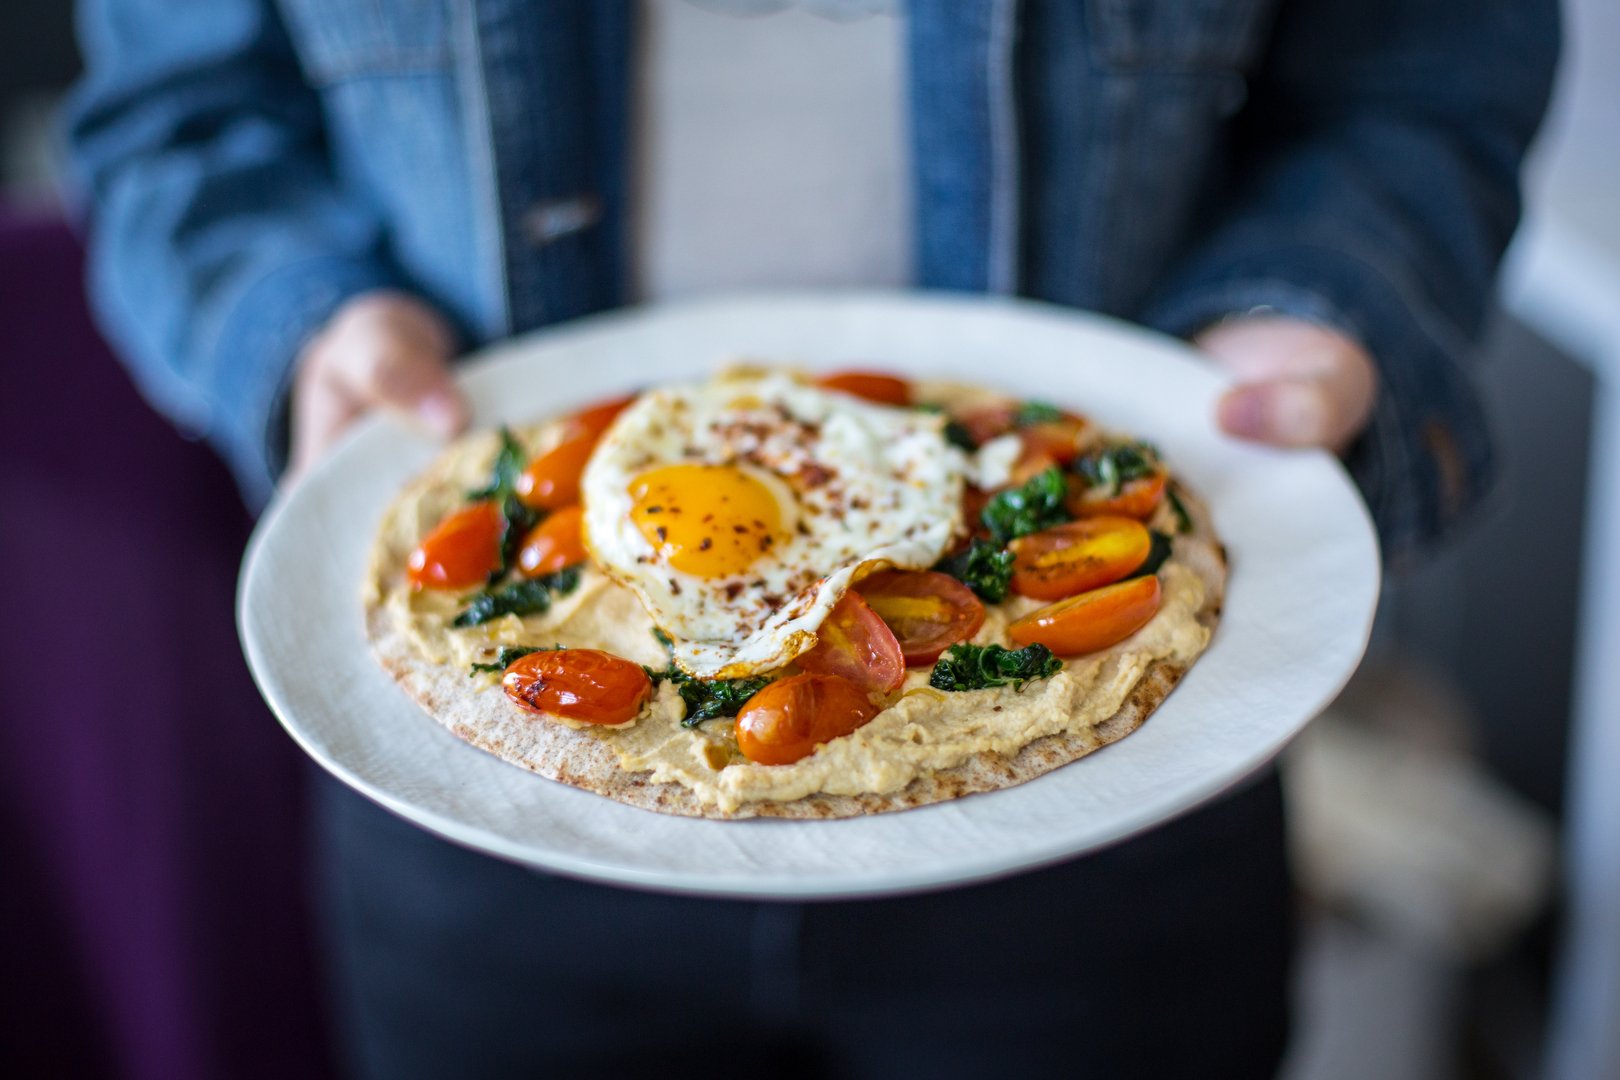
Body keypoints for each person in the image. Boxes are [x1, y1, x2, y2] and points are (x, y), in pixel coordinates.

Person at [65, 1, 1557, 1076]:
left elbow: (1423, 66)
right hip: (488, 869)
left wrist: (1308, 305)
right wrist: (307, 320)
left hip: (1107, 865)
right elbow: (174, 122)